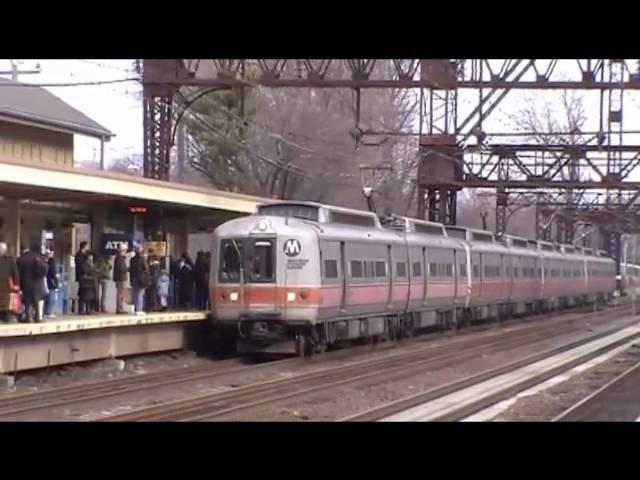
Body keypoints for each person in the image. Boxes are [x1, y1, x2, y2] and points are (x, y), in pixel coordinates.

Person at [20, 243, 48, 323]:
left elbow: (19, 271)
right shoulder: (40, 257)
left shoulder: (23, 258)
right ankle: (37, 317)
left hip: (26, 282)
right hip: (38, 282)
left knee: (27, 301)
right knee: (36, 300)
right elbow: (45, 271)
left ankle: (28, 317)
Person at [0, 242, 20, 323]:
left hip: (6, 285)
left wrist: (16, 284)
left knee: (5, 301)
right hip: (6, 284)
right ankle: (6, 317)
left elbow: (15, 273)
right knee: (5, 301)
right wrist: (16, 284)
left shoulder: (10, 259)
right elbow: (15, 273)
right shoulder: (10, 259)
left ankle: (4, 316)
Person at [129, 245, 150, 316]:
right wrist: (147, 276)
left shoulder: (132, 260)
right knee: (140, 294)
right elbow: (146, 269)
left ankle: (135, 308)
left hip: (134, 278)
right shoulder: (142, 259)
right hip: (141, 279)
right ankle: (139, 309)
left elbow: (131, 270)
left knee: (135, 294)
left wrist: (131, 279)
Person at [113, 244, 129, 314]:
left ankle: (120, 307)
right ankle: (120, 308)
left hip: (120, 278)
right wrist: (128, 268)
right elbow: (121, 269)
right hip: (120, 278)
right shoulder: (120, 258)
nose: (126, 252)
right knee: (120, 294)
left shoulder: (119, 258)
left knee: (121, 293)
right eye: (125, 250)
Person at [44, 249, 59, 319]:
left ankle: (45, 311)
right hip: (51, 281)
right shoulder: (52, 261)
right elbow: (53, 272)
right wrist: (56, 281)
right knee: (51, 297)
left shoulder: (44, 261)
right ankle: (49, 312)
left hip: (45, 281)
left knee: (46, 297)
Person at [74, 241, 89, 314]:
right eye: (87, 246)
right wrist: (85, 272)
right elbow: (81, 266)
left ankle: (85, 309)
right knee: (82, 292)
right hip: (82, 275)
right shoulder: (79, 255)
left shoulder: (84, 255)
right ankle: (81, 309)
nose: (88, 248)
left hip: (84, 276)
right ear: (84, 247)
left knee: (85, 292)